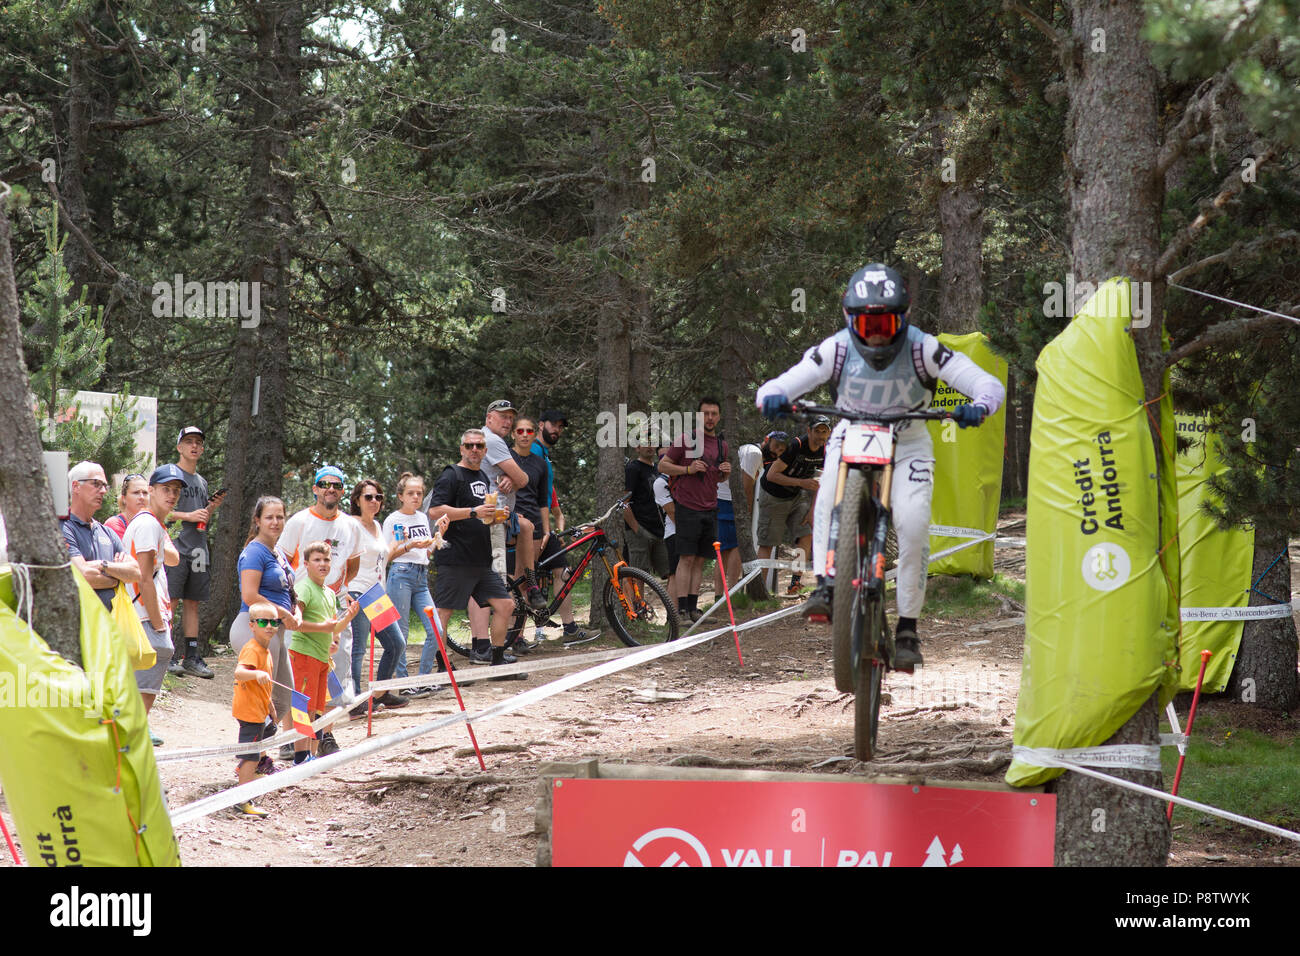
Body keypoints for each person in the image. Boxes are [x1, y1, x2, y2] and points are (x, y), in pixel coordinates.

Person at [757, 262, 1004, 667]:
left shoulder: (923, 348)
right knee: (825, 500)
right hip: (850, 433)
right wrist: (772, 395)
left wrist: (979, 405)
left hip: (908, 444)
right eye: (867, 323)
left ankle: (908, 628)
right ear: (849, 320)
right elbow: (788, 380)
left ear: (903, 319)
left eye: (886, 323)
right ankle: (824, 585)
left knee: (914, 523)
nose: (875, 333)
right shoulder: (836, 348)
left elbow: (985, 383)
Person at [425, 429, 527, 679]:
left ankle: (497, 661)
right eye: (469, 446)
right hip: (455, 558)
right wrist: (473, 512)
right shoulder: (452, 474)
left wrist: (495, 516)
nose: (474, 450)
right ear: (461, 449)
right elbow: (436, 510)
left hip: (481, 559)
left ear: (485, 450)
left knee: (506, 605)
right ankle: (441, 666)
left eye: (479, 446)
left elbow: (483, 514)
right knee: (443, 613)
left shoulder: (482, 475)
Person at [279, 466, 361, 701]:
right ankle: (293, 723)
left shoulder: (350, 525)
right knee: (298, 662)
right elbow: (284, 561)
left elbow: (353, 562)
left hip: (335, 600)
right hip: (302, 602)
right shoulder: (299, 521)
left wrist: (341, 585)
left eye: (336, 485)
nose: (330, 489)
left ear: (343, 491)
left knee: (339, 660)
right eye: (325, 484)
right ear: (315, 488)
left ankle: (329, 724)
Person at [348, 478, 430, 714]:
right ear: (357, 500)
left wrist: (407, 545)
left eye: (378, 497)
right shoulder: (351, 524)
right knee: (358, 650)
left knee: (396, 643)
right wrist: (343, 590)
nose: (374, 501)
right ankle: (355, 702)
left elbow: (385, 558)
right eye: (368, 497)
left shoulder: (377, 526)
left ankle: (381, 693)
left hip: (376, 594)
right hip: (357, 592)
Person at [233, 496, 302, 762]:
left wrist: (294, 610)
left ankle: (257, 757)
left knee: (283, 698)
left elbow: (288, 592)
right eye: (269, 517)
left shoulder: (278, 553)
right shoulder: (254, 551)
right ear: (258, 520)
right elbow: (250, 595)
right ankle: (249, 762)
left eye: (280, 517)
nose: (275, 522)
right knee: (260, 701)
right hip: (256, 629)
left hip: (278, 633)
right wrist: (283, 613)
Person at [121, 464, 189, 718]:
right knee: (143, 696)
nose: (171, 495)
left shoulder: (152, 524)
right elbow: (144, 577)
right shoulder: (149, 524)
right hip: (146, 619)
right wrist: (159, 624)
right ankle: (127, 751)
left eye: (175, 490)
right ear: (151, 490)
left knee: (138, 694)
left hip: (144, 617)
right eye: (165, 489)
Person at [657, 398, 730, 622]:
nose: (709, 418)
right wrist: (688, 468)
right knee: (686, 559)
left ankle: (693, 609)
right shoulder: (686, 439)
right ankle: (679, 612)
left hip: (710, 507)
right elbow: (662, 466)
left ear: (718, 417)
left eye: (714, 414)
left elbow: (717, 476)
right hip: (687, 507)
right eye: (705, 413)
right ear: (699, 416)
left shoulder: (721, 445)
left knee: (700, 560)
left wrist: (725, 472)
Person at [288, 541, 360, 761]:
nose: (322, 564)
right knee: (304, 707)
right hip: (303, 655)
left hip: (322, 658)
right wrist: (324, 628)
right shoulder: (303, 587)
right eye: (317, 560)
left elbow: (333, 627)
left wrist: (348, 616)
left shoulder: (329, 593)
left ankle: (312, 754)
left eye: (326, 560)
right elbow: (295, 622)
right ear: (306, 564)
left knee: (319, 708)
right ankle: (300, 755)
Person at [530, 409, 597, 643]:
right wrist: (545, 527)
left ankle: (569, 629)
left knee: (563, 572)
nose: (556, 430)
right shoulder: (533, 451)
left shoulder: (544, 455)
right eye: (553, 425)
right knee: (521, 577)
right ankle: (514, 636)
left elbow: (549, 497)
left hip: (544, 525)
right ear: (541, 425)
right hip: (531, 523)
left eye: (560, 427)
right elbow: (534, 493)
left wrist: (554, 529)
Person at [165, 426, 224, 679]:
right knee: (170, 601)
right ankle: (165, 655)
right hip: (176, 548)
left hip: (199, 550)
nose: (194, 446)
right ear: (179, 447)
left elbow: (202, 519)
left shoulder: (201, 481)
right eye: (188, 441)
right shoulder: (170, 475)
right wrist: (188, 515)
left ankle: (191, 656)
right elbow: (160, 511)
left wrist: (211, 508)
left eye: (199, 442)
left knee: (193, 604)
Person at [756, 418, 831, 595]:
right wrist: (801, 482)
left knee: (805, 535)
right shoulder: (795, 446)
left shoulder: (825, 451)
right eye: (817, 431)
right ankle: (757, 591)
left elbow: (820, 483)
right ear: (809, 430)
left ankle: (794, 584)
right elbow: (771, 475)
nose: (821, 436)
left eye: (824, 432)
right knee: (768, 543)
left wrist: (812, 511)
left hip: (797, 495)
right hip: (774, 496)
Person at [387, 472, 443, 695]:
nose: (416, 497)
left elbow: (428, 550)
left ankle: (423, 678)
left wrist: (440, 534)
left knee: (436, 630)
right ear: (400, 496)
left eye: (419, 493)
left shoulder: (422, 517)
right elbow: (387, 555)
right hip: (400, 574)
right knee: (401, 632)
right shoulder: (393, 519)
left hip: (421, 575)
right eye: (410, 493)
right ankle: (403, 683)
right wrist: (410, 546)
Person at [61, 461, 141, 613]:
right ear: (76, 486)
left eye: (105, 485)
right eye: (96, 484)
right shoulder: (64, 527)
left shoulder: (106, 532)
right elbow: (84, 575)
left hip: (108, 628)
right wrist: (117, 578)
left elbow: (135, 572)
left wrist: (103, 565)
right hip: (79, 625)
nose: (103, 490)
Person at [232, 601, 281, 815]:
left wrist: (270, 706)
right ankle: (243, 799)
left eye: (274, 621)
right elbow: (239, 672)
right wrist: (256, 674)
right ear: (252, 625)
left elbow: (265, 685)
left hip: (260, 710)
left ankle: (248, 772)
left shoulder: (266, 650)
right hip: (249, 712)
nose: (269, 626)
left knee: (264, 738)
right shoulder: (252, 649)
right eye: (263, 621)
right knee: (250, 754)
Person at [508, 417, 552, 648]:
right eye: (520, 430)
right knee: (516, 578)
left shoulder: (540, 463)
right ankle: (510, 634)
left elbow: (543, 499)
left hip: (534, 522)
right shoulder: (506, 457)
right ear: (513, 434)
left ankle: (518, 636)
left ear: (535, 434)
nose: (525, 434)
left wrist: (547, 529)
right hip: (512, 521)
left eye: (529, 431)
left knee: (525, 579)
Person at [623, 442, 668, 580]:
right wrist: (637, 529)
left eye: (652, 443)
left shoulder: (657, 469)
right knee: (640, 577)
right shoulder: (633, 468)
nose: (650, 447)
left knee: (671, 571)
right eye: (645, 444)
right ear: (637, 448)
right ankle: (638, 602)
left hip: (660, 530)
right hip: (641, 530)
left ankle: (673, 602)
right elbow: (624, 502)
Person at [652, 465, 679, 603]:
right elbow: (671, 511)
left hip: (689, 530)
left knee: (687, 570)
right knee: (674, 573)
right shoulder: (660, 482)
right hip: (673, 532)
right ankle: (673, 614)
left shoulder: (684, 476)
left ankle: (687, 609)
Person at [104, 473, 147, 539]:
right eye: (136, 493)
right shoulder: (115, 524)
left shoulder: (153, 523)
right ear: (124, 498)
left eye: (145, 493)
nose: (142, 497)